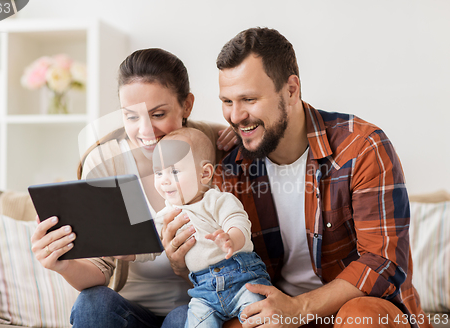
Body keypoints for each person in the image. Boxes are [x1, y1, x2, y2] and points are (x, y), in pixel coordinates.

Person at [166, 28, 431, 328]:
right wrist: (181, 260)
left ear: (291, 90)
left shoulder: (362, 148)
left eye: (248, 99)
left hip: (349, 309)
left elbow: (383, 263)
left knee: (363, 318)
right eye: (227, 102)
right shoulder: (229, 168)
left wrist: (299, 308)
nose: (235, 116)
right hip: (275, 313)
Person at [30, 48, 238, 328]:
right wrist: (61, 264)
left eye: (159, 114)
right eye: (131, 117)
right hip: (128, 313)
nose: (146, 131)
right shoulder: (109, 162)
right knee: (92, 303)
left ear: (186, 105)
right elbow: (99, 271)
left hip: (196, 307)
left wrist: (239, 130)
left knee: (184, 318)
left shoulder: (206, 149)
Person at [127, 127, 272, 327]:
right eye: (158, 173)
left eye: (174, 171)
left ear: (205, 174)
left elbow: (237, 221)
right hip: (203, 293)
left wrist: (231, 239)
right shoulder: (167, 215)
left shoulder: (217, 200)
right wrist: (128, 252)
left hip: (242, 279)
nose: (164, 180)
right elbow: (149, 244)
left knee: (261, 317)